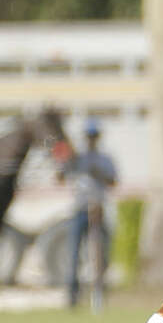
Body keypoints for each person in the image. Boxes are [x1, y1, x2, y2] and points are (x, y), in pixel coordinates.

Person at [58, 118, 118, 312]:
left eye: (94, 136)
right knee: (74, 254)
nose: (91, 140)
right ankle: (72, 296)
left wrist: (98, 173)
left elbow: (113, 182)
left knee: (101, 254)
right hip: (79, 210)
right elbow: (60, 176)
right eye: (89, 136)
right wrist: (64, 158)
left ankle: (99, 293)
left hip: (98, 209)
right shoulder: (77, 158)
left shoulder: (104, 159)